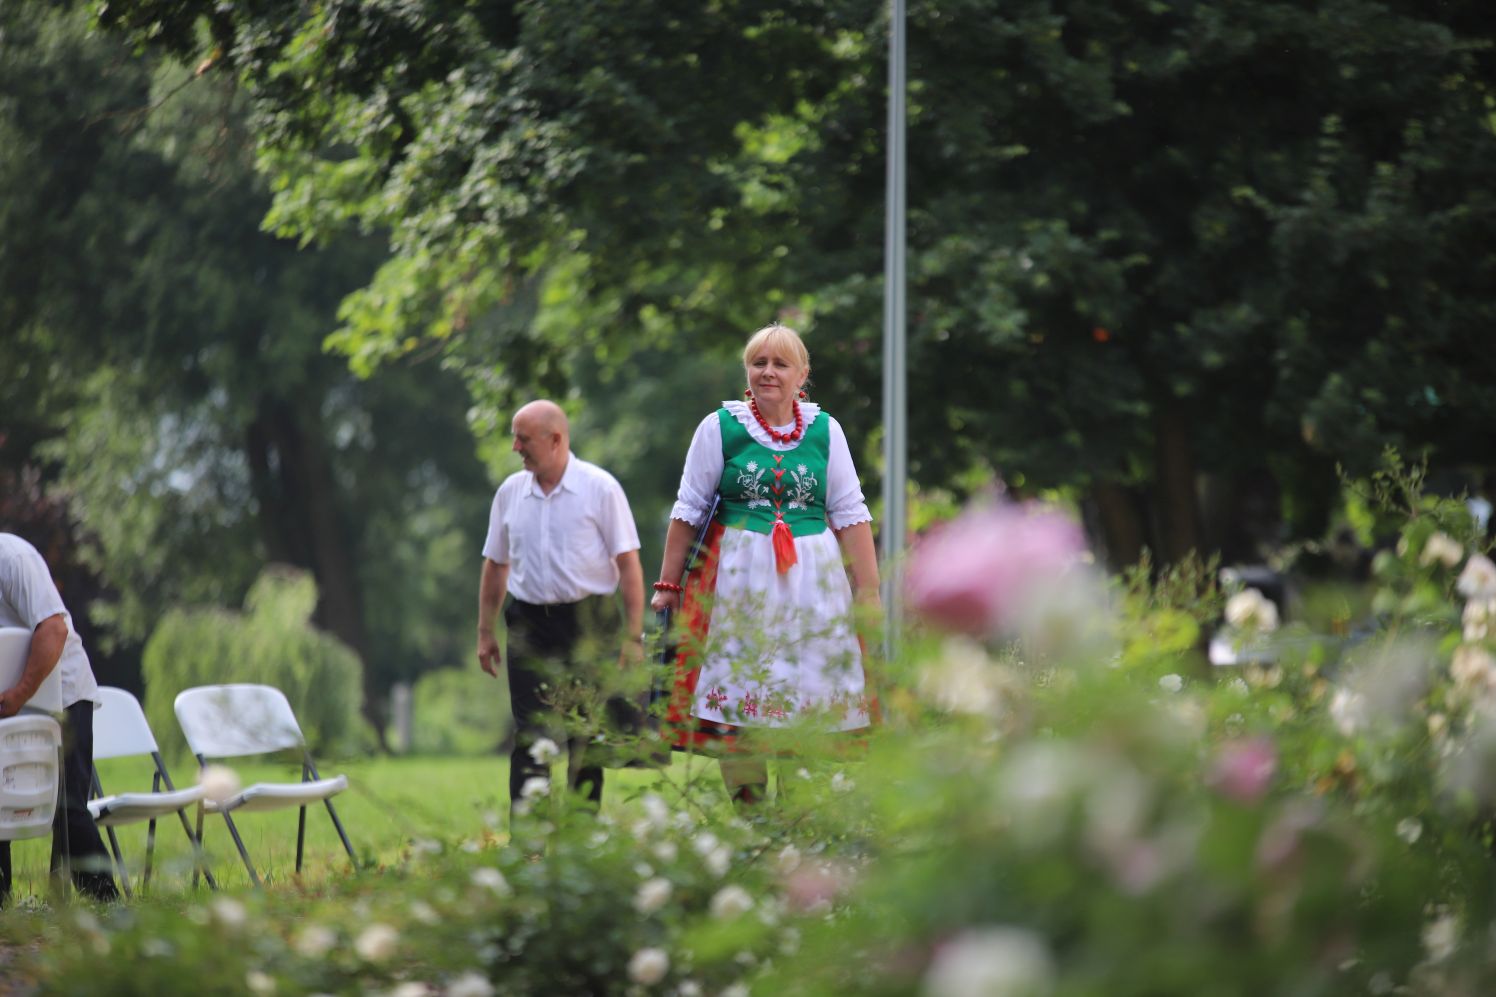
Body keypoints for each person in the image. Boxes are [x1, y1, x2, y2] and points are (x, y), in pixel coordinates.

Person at [651, 324, 881, 805]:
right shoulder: (720, 428)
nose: (768, 372)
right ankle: (752, 817)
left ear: (803, 375)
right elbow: (688, 509)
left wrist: (870, 592)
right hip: (739, 584)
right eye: (759, 363)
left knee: (806, 692)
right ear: (747, 372)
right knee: (740, 696)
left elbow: (851, 515)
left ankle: (797, 821)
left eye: (780, 364)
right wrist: (668, 583)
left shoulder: (825, 430)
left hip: (813, 587)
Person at [477, 400, 645, 814]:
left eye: (523, 438)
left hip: (589, 623)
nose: (515, 446)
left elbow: (629, 565)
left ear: (555, 440)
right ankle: (527, 846)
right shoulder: (510, 493)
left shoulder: (600, 488)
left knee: (585, 736)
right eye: (514, 437)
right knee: (530, 735)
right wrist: (485, 631)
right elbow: (496, 564)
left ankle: (579, 841)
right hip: (529, 624)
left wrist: (633, 636)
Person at [0, 533, 119, 903]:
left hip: (62, 696)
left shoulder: (14, 558)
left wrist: (19, 694)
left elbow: (53, 629)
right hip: (11, 698)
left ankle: (107, 903)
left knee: (67, 809)